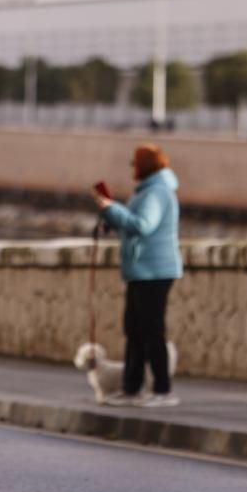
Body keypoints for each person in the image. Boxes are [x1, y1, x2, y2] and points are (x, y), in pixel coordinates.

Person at [93, 142, 182, 407]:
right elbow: (132, 223)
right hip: (141, 272)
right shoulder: (146, 191)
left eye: (135, 162)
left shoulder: (157, 192)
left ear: (144, 165)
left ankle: (163, 391)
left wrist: (111, 208)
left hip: (154, 271)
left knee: (152, 331)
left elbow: (143, 226)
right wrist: (111, 215)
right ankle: (132, 388)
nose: (132, 167)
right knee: (134, 329)